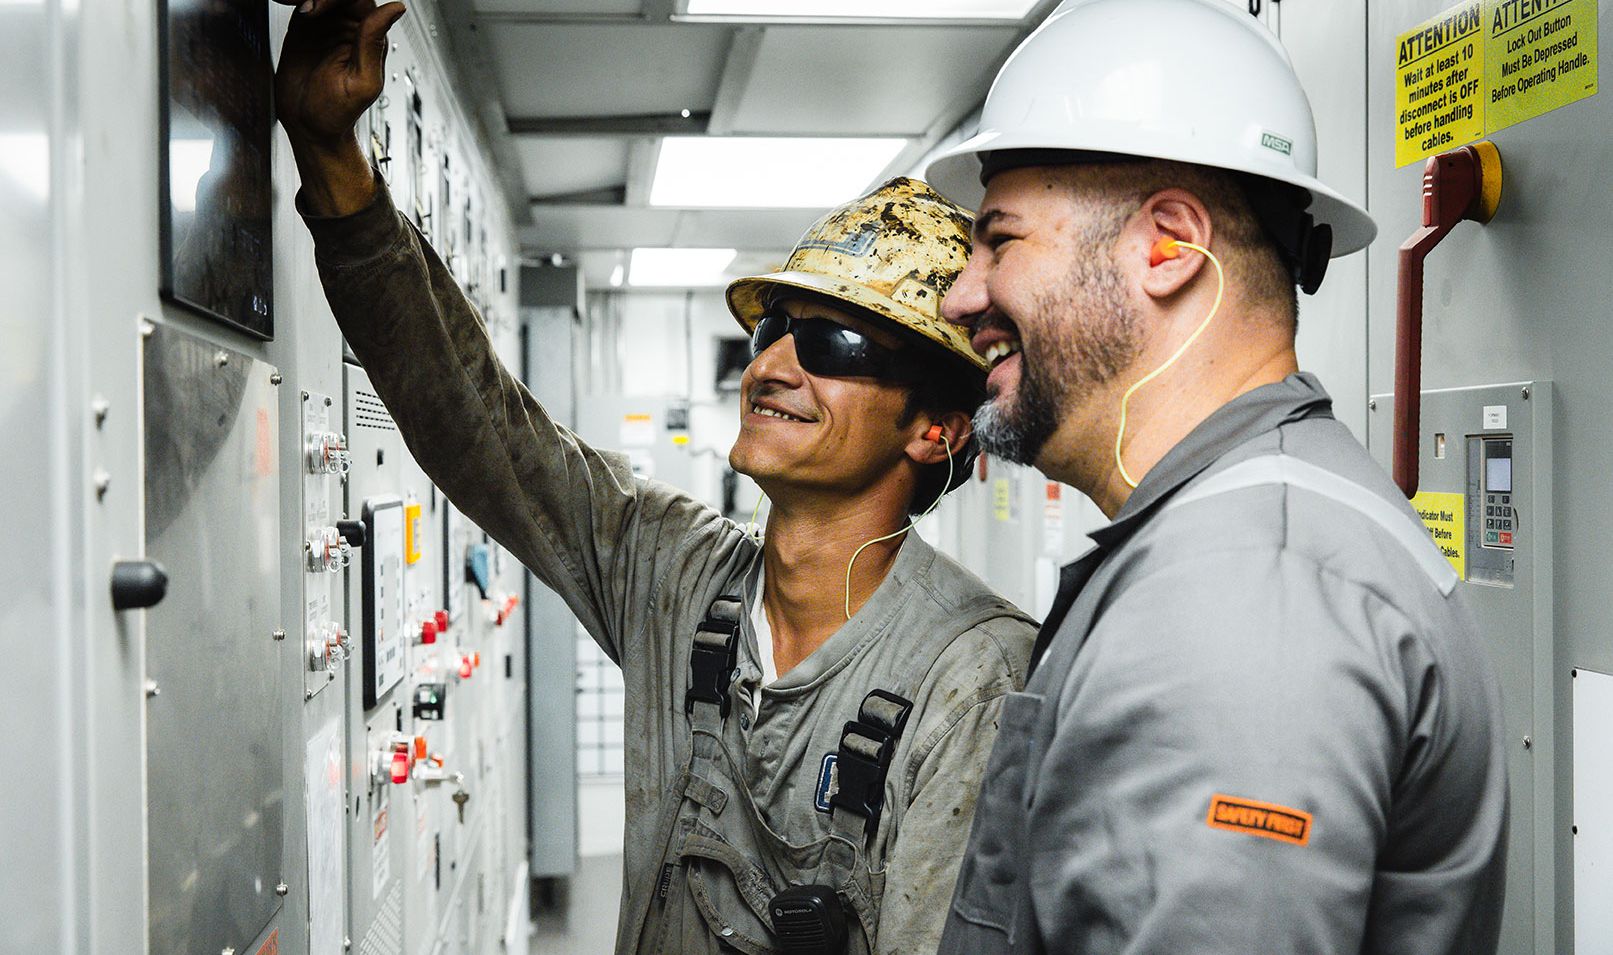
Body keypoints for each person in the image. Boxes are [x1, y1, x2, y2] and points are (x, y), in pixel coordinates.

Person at [274, 3, 1037, 952]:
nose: (769, 367)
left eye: (834, 342)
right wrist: (332, 158)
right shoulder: (677, 575)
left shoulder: (974, 676)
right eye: (772, 331)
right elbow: (481, 427)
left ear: (935, 430)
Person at [921, 1, 1508, 952]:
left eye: (1000, 239)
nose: (961, 295)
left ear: (1168, 247)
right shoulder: (1242, 538)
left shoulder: (1242, 592)